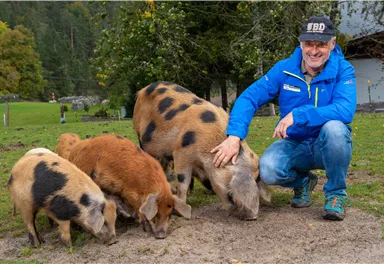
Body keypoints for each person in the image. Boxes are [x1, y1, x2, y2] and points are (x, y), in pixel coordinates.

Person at [211, 16, 356, 221]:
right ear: (300, 44)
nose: (314, 51)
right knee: (268, 169)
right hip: (295, 143)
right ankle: (302, 182)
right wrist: (234, 136)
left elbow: (344, 110)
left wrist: (299, 114)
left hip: (328, 145)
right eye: (308, 44)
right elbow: (249, 98)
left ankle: (335, 194)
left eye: (321, 44)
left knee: (335, 129)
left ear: (332, 44)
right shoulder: (284, 69)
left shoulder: (344, 70)